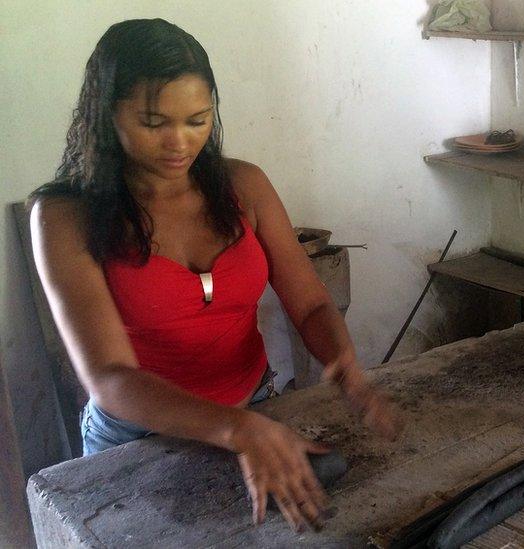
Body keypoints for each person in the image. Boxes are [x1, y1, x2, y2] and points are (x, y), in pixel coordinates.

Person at [29, 19, 399, 533]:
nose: (179, 143)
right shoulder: (65, 216)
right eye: (154, 123)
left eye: (198, 120)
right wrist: (236, 428)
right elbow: (110, 377)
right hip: (137, 436)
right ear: (106, 113)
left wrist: (346, 364)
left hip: (254, 406)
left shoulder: (244, 187)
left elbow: (312, 304)